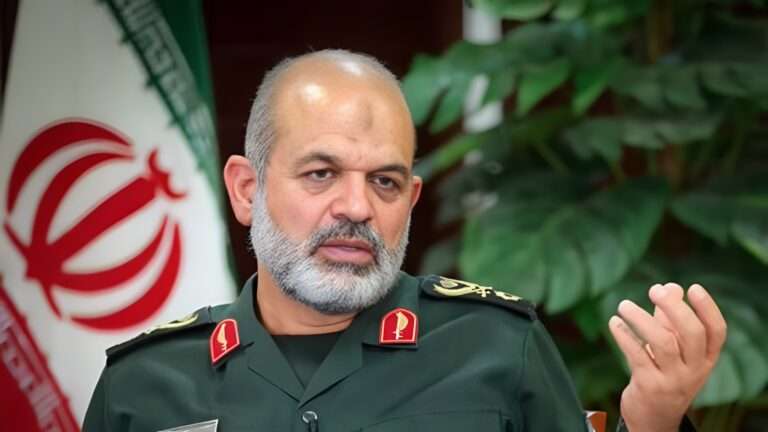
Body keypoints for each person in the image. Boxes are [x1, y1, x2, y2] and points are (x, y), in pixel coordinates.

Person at [83, 50, 727, 432]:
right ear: (247, 189)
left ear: (410, 200)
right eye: (321, 173)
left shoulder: (498, 348)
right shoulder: (143, 385)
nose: (357, 207)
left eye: (384, 181)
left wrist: (653, 422)